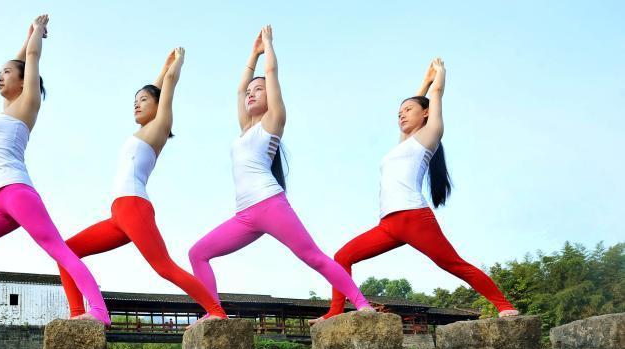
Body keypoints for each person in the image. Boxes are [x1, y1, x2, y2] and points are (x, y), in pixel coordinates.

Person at [0, 15, 110, 324]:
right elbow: (21, 58)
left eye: (6, 73)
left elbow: (30, 58)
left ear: (23, 80)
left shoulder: (27, 104)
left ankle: (99, 311)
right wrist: (26, 36)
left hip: (18, 192)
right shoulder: (7, 109)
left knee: (59, 250)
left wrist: (37, 35)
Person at [188, 26, 371, 316]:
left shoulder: (272, 121)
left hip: (270, 204)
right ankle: (215, 313)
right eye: (250, 91)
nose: (250, 94)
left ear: (269, 96)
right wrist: (252, 54)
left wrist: (268, 47)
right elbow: (239, 88)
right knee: (198, 253)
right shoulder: (245, 129)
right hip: (245, 215)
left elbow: (271, 74)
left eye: (257, 90)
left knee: (313, 257)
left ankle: (362, 304)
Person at [322, 58, 518, 320]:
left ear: (425, 114)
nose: (401, 114)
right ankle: (334, 312)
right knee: (342, 256)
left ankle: (504, 305)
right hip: (388, 225)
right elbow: (418, 103)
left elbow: (435, 97)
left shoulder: (428, 136)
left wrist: (438, 78)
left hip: (414, 218)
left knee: (453, 264)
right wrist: (423, 82)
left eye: (408, 109)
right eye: (399, 112)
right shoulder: (403, 143)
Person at [59, 48, 227, 322]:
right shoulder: (142, 130)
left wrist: (178, 64)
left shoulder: (160, 125)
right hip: (118, 214)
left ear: (158, 105)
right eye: (134, 101)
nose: (136, 104)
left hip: (135, 207)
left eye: (143, 100)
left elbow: (167, 87)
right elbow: (159, 86)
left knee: (164, 267)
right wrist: (162, 68)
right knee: (66, 251)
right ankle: (78, 315)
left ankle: (216, 311)